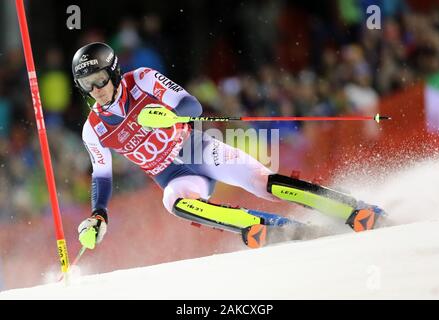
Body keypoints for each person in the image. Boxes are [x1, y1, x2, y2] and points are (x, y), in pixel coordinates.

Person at [72, 42, 386, 250]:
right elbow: (102, 175)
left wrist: (169, 116)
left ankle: (353, 209)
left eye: (100, 79)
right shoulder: (94, 129)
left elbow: (191, 106)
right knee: (174, 202)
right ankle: (268, 227)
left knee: (264, 184)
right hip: (173, 175)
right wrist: (99, 214)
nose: (96, 89)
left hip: (197, 149)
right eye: (88, 85)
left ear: (113, 72)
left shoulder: (141, 79)